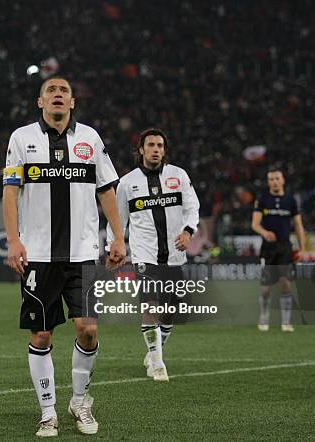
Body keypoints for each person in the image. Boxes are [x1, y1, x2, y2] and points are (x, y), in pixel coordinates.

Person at [2, 76, 126, 437]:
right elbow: (10, 193)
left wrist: (118, 237)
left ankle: (80, 401)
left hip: (83, 253)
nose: (58, 95)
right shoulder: (21, 138)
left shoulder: (90, 138)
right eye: (51, 92)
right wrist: (14, 241)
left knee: (88, 329)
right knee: (41, 335)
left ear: (72, 102)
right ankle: (47, 411)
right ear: (40, 102)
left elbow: (107, 190)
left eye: (64, 92)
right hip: (38, 255)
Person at [108, 128, 200, 382]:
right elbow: (117, 220)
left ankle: (155, 351)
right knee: (150, 304)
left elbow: (193, 206)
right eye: (151, 145)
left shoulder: (178, 176)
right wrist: (114, 245)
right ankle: (157, 360)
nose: (156, 149)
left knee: (171, 311)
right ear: (141, 149)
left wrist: (188, 231)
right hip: (144, 254)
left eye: (160, 145)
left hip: (174, 254)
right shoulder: (127, 182)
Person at [251, 168, 306, 332]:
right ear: (268, 182)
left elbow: (298, 225)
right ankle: (264, 317)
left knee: (285, 284)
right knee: (266, 287)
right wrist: (264, 233)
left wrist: (302, 249)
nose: (274, 181)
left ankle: (286, 322)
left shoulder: (290, 200)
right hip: (268, 249)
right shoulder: (262, 200)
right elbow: (254, 224)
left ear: (283, 180)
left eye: (277, 178)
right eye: (271, 179)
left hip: (285, 247)